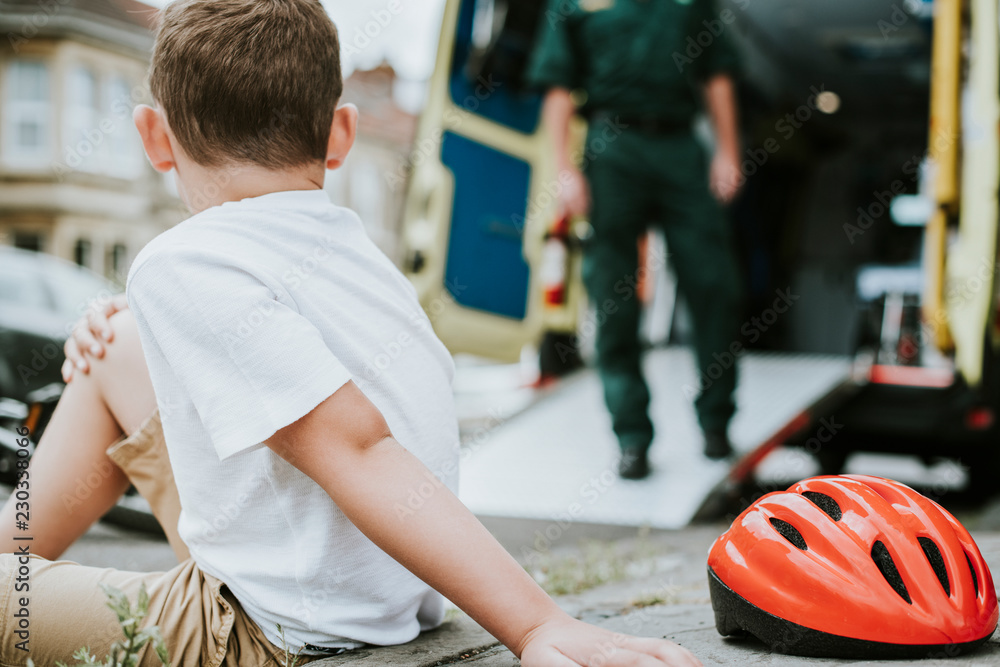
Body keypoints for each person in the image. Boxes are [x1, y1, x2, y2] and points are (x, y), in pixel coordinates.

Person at [0, 1, 701, 665]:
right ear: (341, 135)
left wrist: (538, 622)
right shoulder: (359, 257)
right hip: (355, 592)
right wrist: (134, 319)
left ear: (154, 136)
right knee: (115, 343)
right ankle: (11, 559)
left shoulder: (179, 260)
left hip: (260, 633)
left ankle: (10, 576)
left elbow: (358, 446)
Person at [527, 0, 745, 479]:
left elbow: (717, 73)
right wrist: (564, 170)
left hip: (680, 146)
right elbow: (560, 88)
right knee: (613, 297)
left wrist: (728, 151)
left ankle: (716, 422)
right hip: (612, 146)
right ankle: (631, 437)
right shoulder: (573, 5)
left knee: (714, 286)